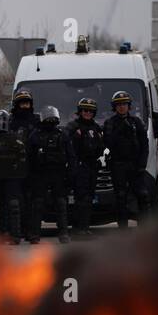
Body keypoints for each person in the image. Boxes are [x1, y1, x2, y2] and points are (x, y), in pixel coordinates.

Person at [28, 106, 76, 244]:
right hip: (40, 174)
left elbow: (71, 156)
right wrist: (31, 175)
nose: (50, 120)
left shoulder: (62, 135)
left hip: (58, 173)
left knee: (61, 203)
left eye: (52, 118)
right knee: (38, 204)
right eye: (47, 118)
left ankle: (64, 233)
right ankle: (34, 233)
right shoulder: (35, 135)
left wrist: (70, 174)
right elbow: (29, 156)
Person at [103, 90, 149, 227]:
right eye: (118, 105)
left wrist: (142, 164)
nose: (122, 107)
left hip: (135, 165)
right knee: (120, 197)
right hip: (118, 165)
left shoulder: (136, 122)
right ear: (114, 107)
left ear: (129, 106)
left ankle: (145, 227)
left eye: (124, 104)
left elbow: (144, 145)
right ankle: (123, 229)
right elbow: (107, 143)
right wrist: (120, 129)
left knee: (143, 195)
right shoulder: (110, 123)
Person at [0, 109, 28, 245]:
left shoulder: (15, 139)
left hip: (12, 175)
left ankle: (15, 235)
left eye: (2, 121)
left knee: (13, 204)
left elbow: (23, 156)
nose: (0, 123)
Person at [67, 97, 104, 236]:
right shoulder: (72, 126)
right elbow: (65, 143)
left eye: (90, 111)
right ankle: (77, 229)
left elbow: (102, 147)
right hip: (79, 166)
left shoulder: (96, 128)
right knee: (80, 198)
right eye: (85, 110)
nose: (88, 113)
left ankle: (85, 227)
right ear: (80, 111)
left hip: (92, 166)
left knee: (89, 198)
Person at [8, 89, 41, 241]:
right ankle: (16, 232)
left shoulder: (36, 120)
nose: (24, 106)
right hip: (14, 165)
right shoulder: (10, 121)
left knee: (32, 201)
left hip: (33, 165)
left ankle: (31, 231)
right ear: (17, 104)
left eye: (27, 103)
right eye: (22, 103)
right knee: (16, 201)